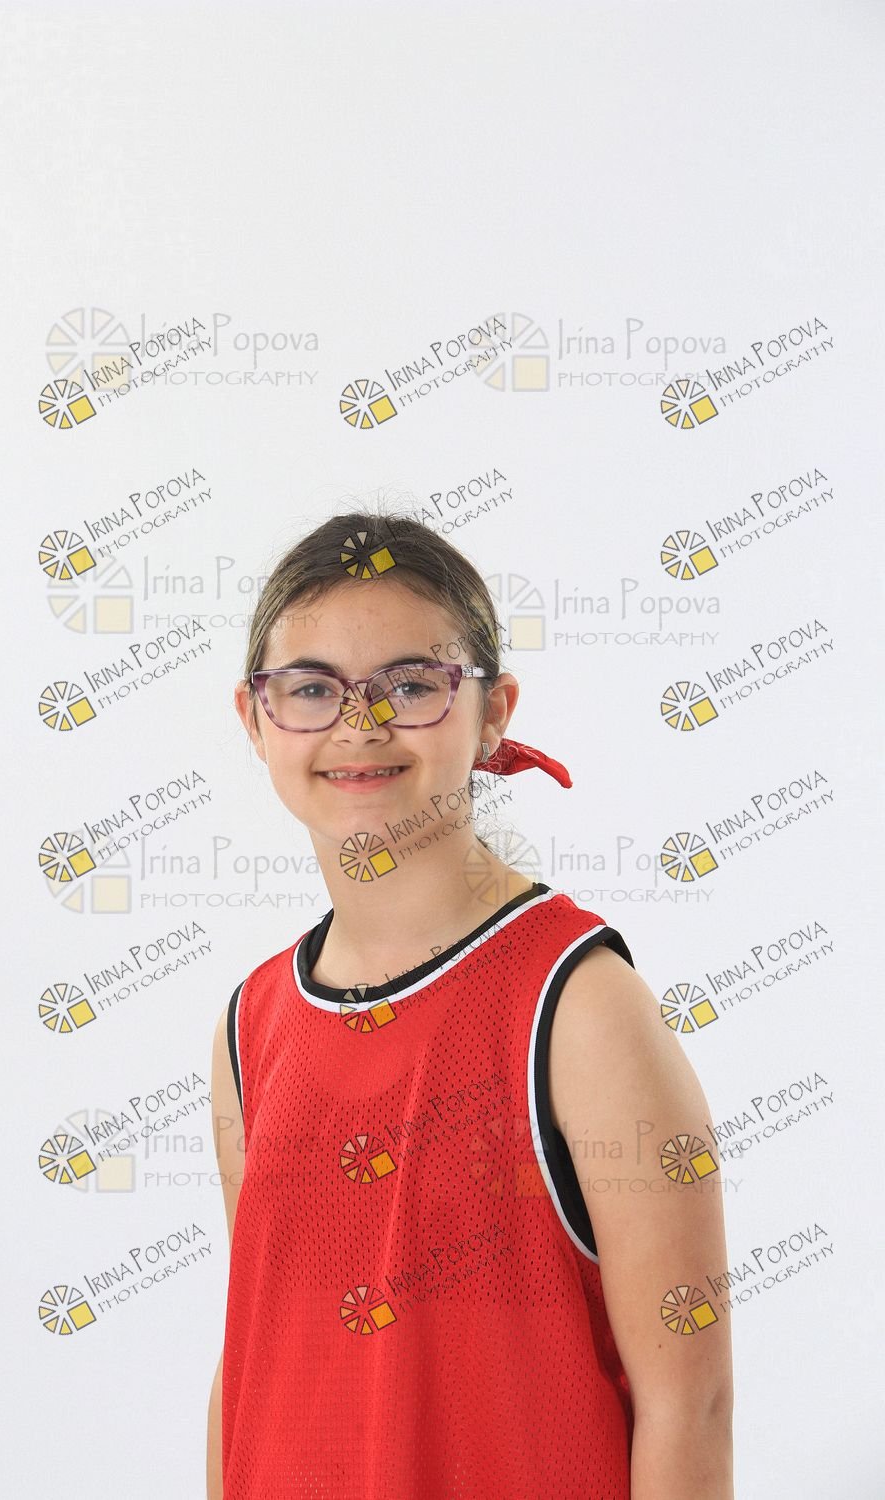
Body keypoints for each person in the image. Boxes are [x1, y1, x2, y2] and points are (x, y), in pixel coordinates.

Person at [207, 509, 734, 1500]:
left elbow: (687, 1406)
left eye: (411, 685)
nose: (359, 725)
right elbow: (252, 1362)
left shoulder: (578, 1004)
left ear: (493, 713)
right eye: (312, 688)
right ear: (255, 717)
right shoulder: (252, 1021)